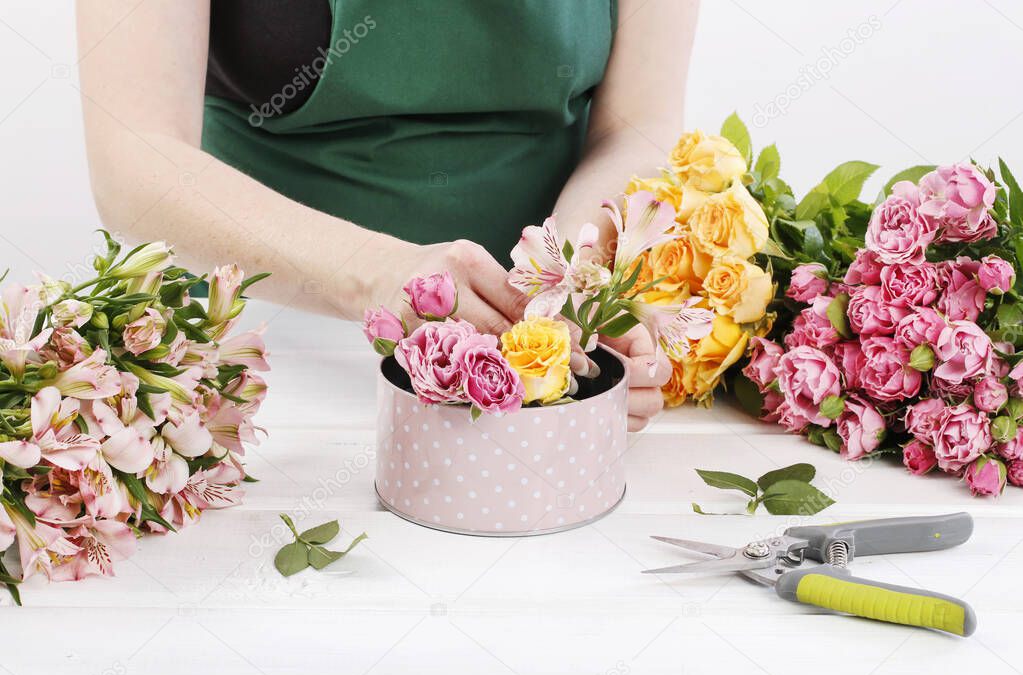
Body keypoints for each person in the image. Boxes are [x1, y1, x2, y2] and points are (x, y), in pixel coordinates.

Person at [76, 0, 699, 430]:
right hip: (257, 354)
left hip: (526, 355)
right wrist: (377, 274)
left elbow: (639, 123)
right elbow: (133, 161)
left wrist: (574, 283)